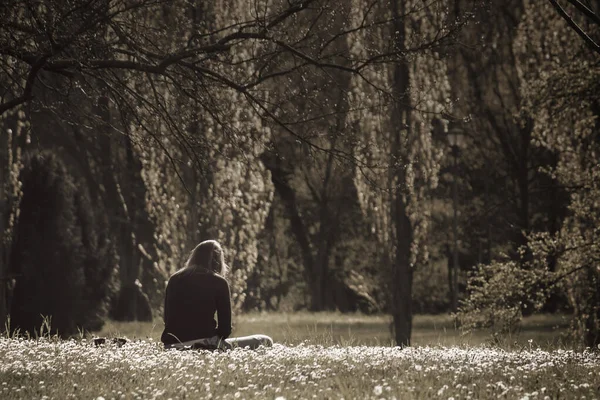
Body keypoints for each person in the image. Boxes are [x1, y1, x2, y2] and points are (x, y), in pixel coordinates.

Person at [161, 240, 273, 351]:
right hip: (204, 345)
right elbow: (225, 330)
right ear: (218, 261)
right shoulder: (219, 282)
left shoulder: (174, 279)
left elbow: (167, 319)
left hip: (171, 346)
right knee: (265, 340)